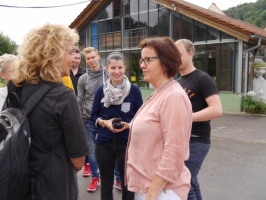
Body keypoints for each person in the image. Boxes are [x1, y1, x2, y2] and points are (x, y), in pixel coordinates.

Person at [9, 23, 90, 200]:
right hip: (54, 188)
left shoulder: (14, 86)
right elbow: (78, 160)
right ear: (53, 54)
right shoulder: (64, 97)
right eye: (70, 52)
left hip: (17, 184)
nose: (73, 58)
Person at [125, 37, 193, 200]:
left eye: (147, 59)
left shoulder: (173, 96)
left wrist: (151, 196)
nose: (142, 65)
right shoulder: (160, 93)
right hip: (150, 189)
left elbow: (174, 153)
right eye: (142, 60)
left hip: (161, 192)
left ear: (165, 61)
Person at [175, 39, 223, 200]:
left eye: (179, 54)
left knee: (184, 184)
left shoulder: (202, 78)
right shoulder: (177, 82)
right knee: (191, 183)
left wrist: (185, 118)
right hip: (181, 140)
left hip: (197, 140)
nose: (175, 58)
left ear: (190, 53)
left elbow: (216, 110)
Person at [91, 52, 143, 200]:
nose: (116, 71)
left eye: (120, 67)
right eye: (113, 67)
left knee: (127, 184)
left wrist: (129, 125)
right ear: (107, 68)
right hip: (104, 144)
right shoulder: (101, 91)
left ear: (125, 68)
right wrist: (104, 122)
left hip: (126, 143)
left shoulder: (133, 91)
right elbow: (93, 115)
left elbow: (141, 116)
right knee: (106, 184)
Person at [77, 47, 108, 192]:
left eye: (93, 57)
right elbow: (80, 99)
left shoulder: (108, 74)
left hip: (106, 118)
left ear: (98, 56)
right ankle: (96, 177)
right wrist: (77, 117)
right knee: (92, 150)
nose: (91, 60)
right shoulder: (83, 78)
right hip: (88, 118)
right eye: (88, 58)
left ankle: (118, 179)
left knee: (111, 149)